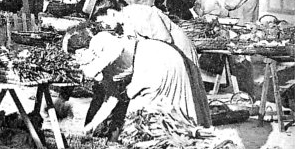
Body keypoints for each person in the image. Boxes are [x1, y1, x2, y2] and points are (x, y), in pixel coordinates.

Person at [78, 31, 211, 136]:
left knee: (155, 113)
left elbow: (119, 51)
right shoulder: (107, 68)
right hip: (153, 60)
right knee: (149, 116)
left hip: (158, 60)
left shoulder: (108, 50)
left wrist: (128, 92)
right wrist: (92, 124)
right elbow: (112, 98)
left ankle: (179, 142)